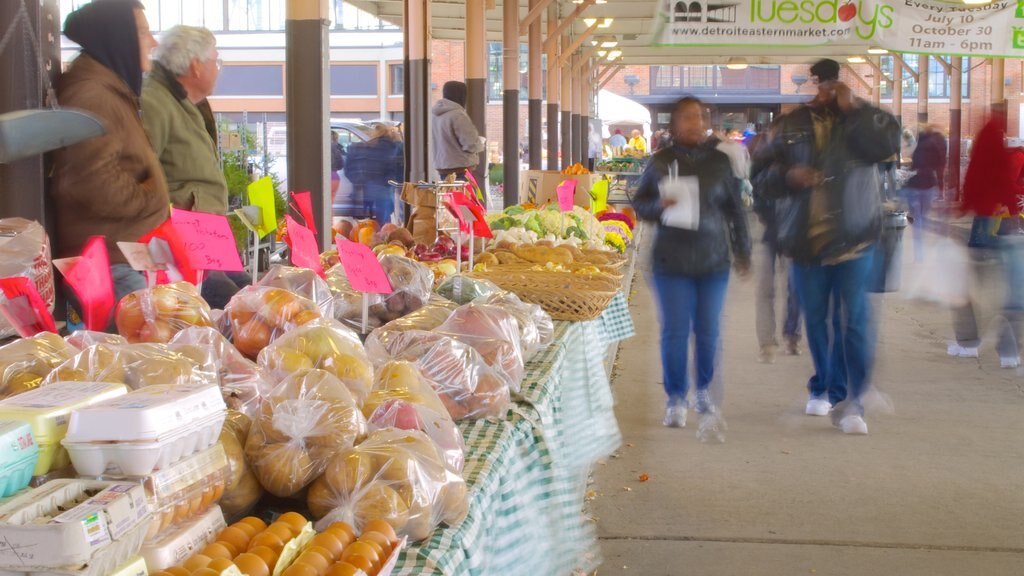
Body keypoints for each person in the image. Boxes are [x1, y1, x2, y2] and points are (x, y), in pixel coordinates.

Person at [757, 58, 899, 435]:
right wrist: (789, 175)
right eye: (823, 85)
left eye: (836, 87)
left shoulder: (861, 122)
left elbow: (890, 143)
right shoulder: (791, 125)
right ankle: (824, 385)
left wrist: (858, 108)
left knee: (853, 320)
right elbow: (761, 178)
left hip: (856, 236)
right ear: (813, 85)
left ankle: (855, 400)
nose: (828, 92)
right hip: (806, 241)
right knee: (817, 321)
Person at [632, 96, 751, 431]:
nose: (693, 123)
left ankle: (703, 392)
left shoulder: (720, 162)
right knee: (674, 332)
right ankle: (675, 398)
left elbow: (735, 211)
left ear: (707, 122)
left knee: (709, 331)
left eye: (699, 117)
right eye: (686, 118)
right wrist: (660, 206)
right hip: (671, 261)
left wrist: (743, 250)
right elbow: (640, 203)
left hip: (713, 260)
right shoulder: (660, 161)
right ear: (674, 123)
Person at [52, 0, 168, 312]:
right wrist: (150, 199)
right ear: (118, 38)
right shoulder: (92, 94)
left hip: (125, 256)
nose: (153, 42)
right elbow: (88, 179)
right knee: (151, 350)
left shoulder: (110, 89)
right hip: (109, 264)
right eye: (143, 32)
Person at [141, 24, 250, 310]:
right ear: (196, 66)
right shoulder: (156, 101)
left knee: (251, 295)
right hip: (184, 241)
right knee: (240, 309)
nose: (219, 68)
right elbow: (139, 171)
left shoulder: (182, 100)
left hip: (206, 235)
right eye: (216, 60)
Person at [949, 112, 1024, 368]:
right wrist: (1013, 214)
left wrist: (959, 210)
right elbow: (1010, 190)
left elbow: (970, 188)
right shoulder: (1006, 158)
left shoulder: (980, 158)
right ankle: (1009, 351)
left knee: (967, 287)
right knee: (1013, 291)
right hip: (1007, 224)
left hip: (983, 223)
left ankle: (968, 343)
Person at [750, 119, 802, 362]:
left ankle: (790, 336)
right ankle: (769, 342)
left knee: (793, 288)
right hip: (773, 230)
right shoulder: (764, 161)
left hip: (793, 232)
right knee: (769, 288)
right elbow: (757, 189)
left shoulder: (801, 161)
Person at [901, 125, 947, 262]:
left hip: (915, 186)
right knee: (923, 217)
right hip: (929, 185)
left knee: (918, 218)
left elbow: (914, 165)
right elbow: (940, 165)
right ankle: (930, 245)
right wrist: (940, 185)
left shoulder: (919, 146)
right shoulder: (936, 145)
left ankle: (919, 252)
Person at [345, 124, 404, 225]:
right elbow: (399, 161)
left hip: (369, 184)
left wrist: (359, 179)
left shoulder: (370, 145)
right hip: (384, 184)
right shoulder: (392, 146)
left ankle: (374, 235)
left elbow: (364, 164)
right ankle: (383, 236)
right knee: (384, 217)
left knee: (372, 218)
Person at [431, 81, 484, 180]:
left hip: (442, 168)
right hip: (460, 169)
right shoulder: (458, 115)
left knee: (448, 195)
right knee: (462, 195)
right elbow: (471, 144)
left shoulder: (434, 115)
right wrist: (480, 143)